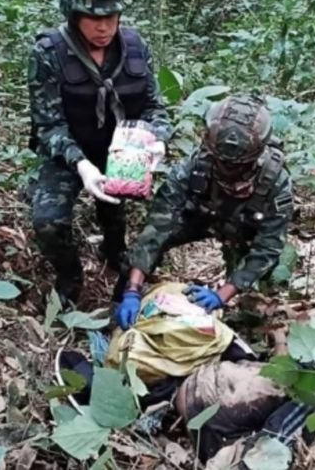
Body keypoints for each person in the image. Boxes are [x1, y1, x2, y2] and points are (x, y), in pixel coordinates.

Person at [28, 0, 172, 304]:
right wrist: (81, 164)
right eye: (93, 19)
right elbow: (48, 126)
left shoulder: (135, 48)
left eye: (110, 17)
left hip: (121, 150)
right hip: (69, 153)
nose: (103, 27)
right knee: (47, 223)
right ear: (73, 14)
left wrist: (158, 142)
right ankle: (70, 278)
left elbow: (156, 107)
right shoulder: (49, 53)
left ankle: (114, 252)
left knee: (116, 209)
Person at [116, 94, 293, 329]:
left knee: (260, 290)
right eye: (222, 162)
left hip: (244, 228)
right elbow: (157, 226)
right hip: (199, 215)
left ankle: (248, 326)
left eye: (237, 166)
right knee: (138, 256)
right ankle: (121, 301)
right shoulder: (193, 167)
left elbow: (267, 248)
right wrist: (133, 290)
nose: (229, 170)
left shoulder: (275, 182)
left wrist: (222, 294)